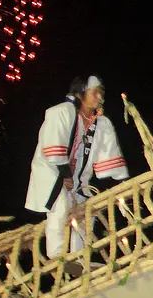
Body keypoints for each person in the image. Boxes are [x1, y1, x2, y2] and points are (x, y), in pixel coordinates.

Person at [25, 75, 129, 260]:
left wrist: (122, 181)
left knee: (87, 211)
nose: (99, 97)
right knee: (60, 207)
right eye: (94, 92)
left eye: (101, 92)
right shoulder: (61, 112)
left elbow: (110, 152)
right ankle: (56, 256)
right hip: (52, 172)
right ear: (80, 94)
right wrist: (64, 173)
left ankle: (79, 257)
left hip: (78, 178)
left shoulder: (101, 122)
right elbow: (53, 144)